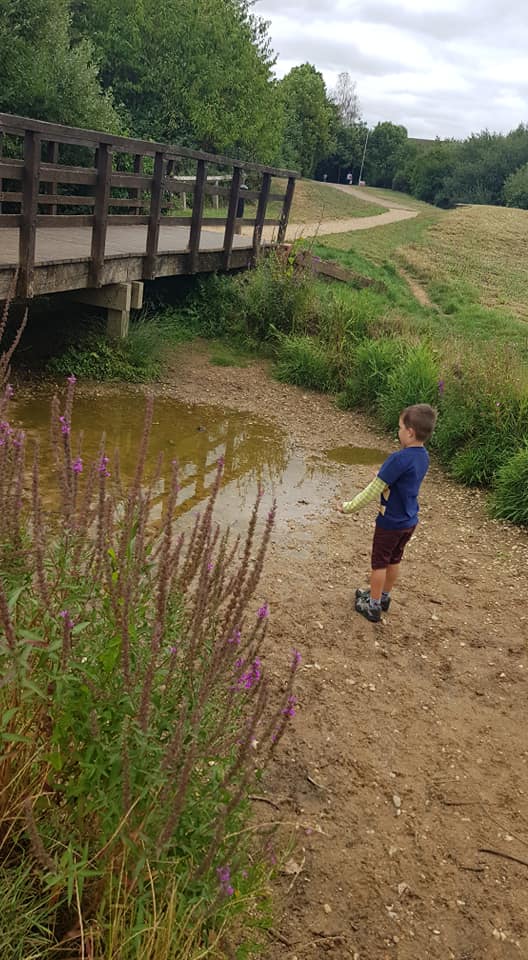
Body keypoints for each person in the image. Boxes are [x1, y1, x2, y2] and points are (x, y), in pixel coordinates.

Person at [338, 404, 437, 623]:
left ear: (410, 432)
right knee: (394, 560)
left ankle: (372, 606)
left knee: (379, 564)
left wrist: (348, 507)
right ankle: (383, 597)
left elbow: (372, 491)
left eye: (400, 427)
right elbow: (403, 480)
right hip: (409, 521)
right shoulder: (423, 457)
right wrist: (383, 476)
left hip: (390, 522)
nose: (398, 431)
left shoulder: (398, 459)